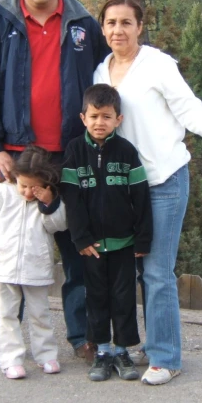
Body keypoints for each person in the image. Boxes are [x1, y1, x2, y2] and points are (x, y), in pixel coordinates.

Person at [93, 0, 202, 386]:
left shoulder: (158, 65)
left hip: (163, 181)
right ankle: (135, 345)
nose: (118, 30)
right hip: (121, 188)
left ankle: (166, 356)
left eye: (126, 22)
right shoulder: (100, 71)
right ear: (102, 28)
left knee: (157, 272)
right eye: (111, 23)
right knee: (126, 272)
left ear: (140, 26)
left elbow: (188, 108)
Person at [0, 0, 109, 364]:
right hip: (17, 159)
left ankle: (82, 336)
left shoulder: (84, 25)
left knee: (77, 248)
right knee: (10, 251)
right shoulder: (0, 22)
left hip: (70, 156)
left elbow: (105, 84)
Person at [60, 85, 152, 382]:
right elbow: (71, 200)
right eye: (94, 116)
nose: (100, 122)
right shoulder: (74, 150)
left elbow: (140, 197)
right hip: (92, 247)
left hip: (124, 243)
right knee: (96, 298)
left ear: (118, 119)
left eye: (107, 117)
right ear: (83, 118)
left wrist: (143, 237)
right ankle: (101, 351)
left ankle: (122, 351)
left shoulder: (126, 151)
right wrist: (81, 238)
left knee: (124, 298)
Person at [0, 146, 66, 379]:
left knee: (40, 314)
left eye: (35, 187)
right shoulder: (3, 192)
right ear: (15, 178)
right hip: (4, 266)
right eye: (24, 186)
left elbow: (58, 226)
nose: (29, 193)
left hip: (36, 267)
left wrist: (49, 204)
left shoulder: (50, 199)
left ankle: (47, 355)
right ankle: (11, 359)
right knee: (7, 315)